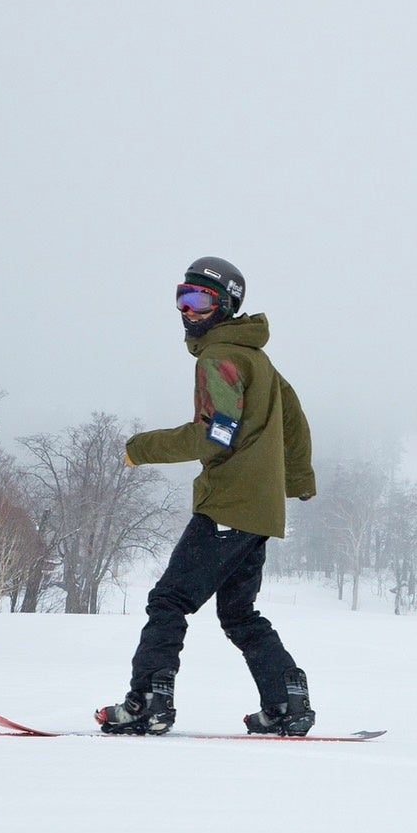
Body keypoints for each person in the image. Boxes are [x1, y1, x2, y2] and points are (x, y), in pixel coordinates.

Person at [96, 256, 318, 736]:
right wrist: (296, 480)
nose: (189, 311)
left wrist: (140, 447)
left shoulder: (221, 358)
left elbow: (214, 435)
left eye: (201, 301)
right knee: (239, 613)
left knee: (168, 600)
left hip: (229, 505)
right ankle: (287, 704)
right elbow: (294, 417)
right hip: (258, 510)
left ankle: (148, 701)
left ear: (227, 305)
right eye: (183, 297)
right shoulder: (256, 357)